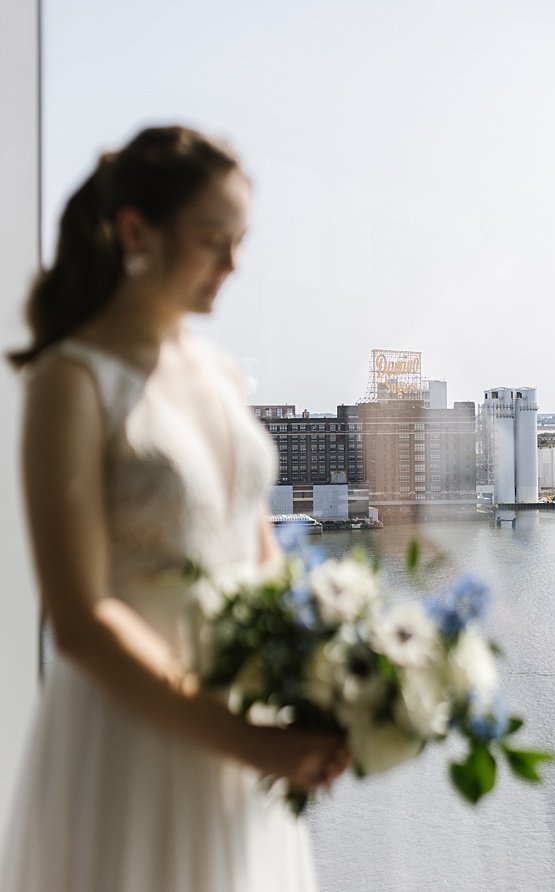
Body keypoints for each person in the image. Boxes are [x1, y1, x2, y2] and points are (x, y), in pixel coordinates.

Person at [0, 125, 350, 891]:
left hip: (246, 745)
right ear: (136, 232)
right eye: (212, 239)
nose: (234, 264)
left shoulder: (222, 374)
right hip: (135, 743)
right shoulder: (71, 381)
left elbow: (264, 565)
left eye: (240, 240)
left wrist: (328, 690)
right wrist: (244, 742)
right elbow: (79, 619)